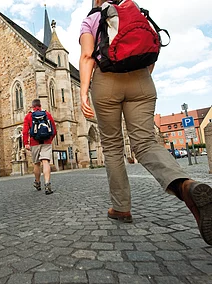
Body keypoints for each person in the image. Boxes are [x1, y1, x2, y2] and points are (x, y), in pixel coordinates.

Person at [79, 0, 212, 245]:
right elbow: (152, 47)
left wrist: (83, 91)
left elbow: (87, 55)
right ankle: (186, 186)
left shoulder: (92, 17)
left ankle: (121, 208)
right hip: (141, 79)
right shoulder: (133, 10)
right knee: (146, 143)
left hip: (106, 81)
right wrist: (143, 77)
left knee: (112, 147)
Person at [22, 99, 56, 195]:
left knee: (36, 163)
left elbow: (25, 131)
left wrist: (26, 143)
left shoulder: (28, 116)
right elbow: (54, 129)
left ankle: (37, 183)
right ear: (40, 105)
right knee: (46, 162)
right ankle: (47, 184)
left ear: (32, 106)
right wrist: (50, 139)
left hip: (34, 142)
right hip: (46, 141)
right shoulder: (47, 114)